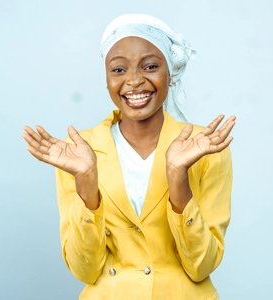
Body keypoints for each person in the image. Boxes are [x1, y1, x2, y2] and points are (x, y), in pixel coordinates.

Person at [23, 14, 235, 300]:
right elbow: (84, 270)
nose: (134, 81)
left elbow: (202, 267)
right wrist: (85, 181)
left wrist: (177, 176)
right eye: (119, 69)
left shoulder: (207, 148)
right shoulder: (77, 151)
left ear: (170, 73)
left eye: (150, 66)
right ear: (107, 79)